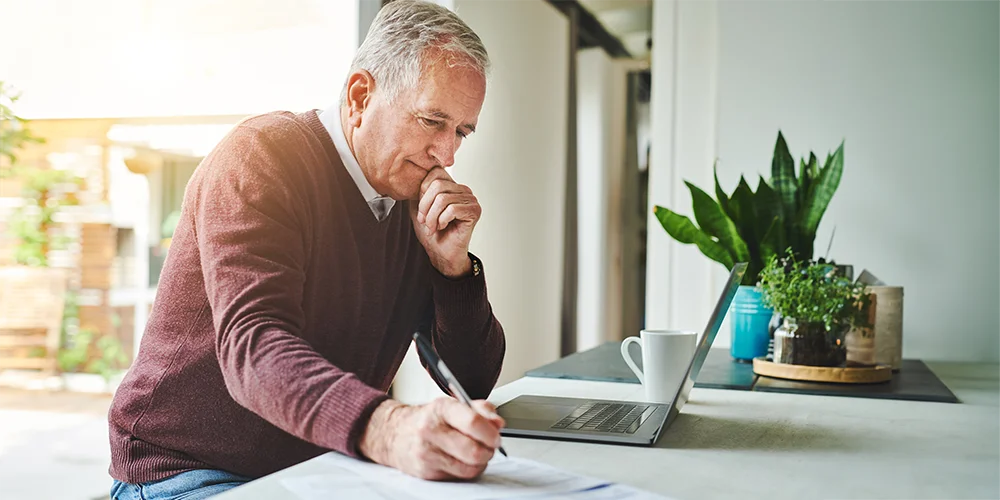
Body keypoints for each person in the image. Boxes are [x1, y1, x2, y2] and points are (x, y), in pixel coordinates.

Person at [107, 1, 506, 498]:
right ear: (361, 96)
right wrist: (386, 428)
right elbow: (253, 346)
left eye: (461, 132)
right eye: (431, 121)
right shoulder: (262, 156)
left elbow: (471, 378)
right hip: (189, 469)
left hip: (322, 469)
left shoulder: (410, 201)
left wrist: (452, 270)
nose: (447, 154)